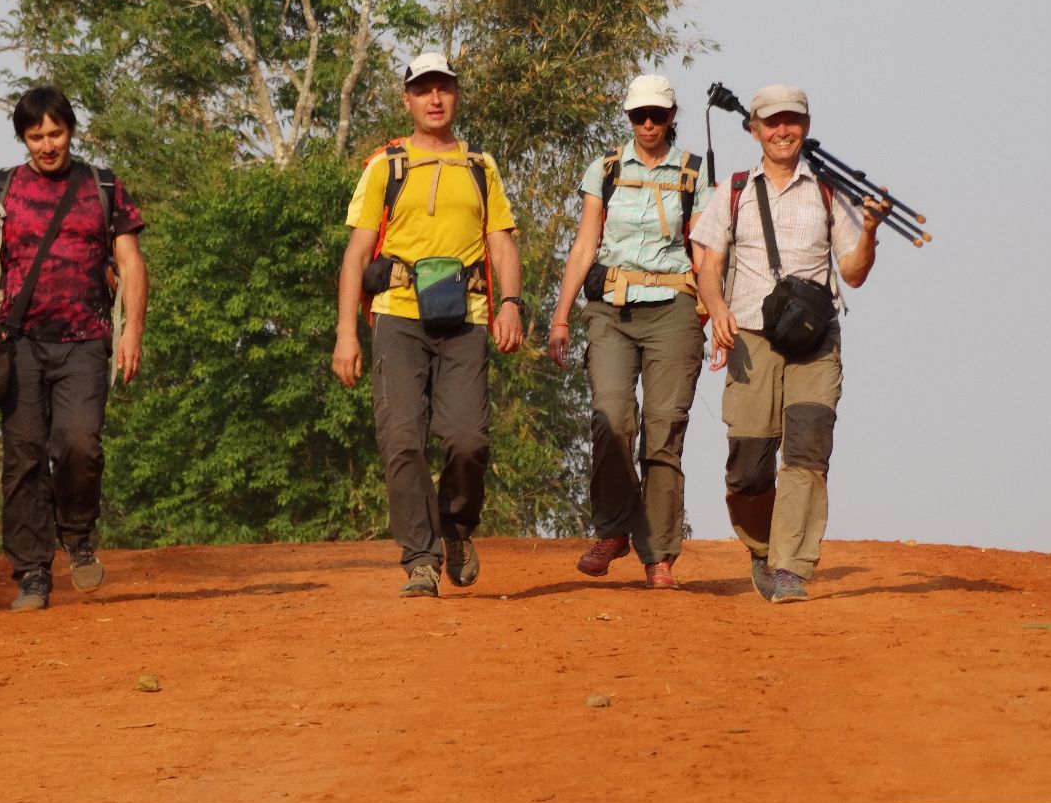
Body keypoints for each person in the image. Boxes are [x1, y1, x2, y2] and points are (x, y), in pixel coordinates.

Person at [332, 52, 524, 598]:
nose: (434, 99)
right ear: (408, 99)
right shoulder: (386, 165)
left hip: (468, 316)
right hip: (397, 314)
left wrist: (512, 303)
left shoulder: (480, 167)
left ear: (456, 95)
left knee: (467, 438)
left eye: (444, 89)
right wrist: (348, 333)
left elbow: (502, 242)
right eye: (423, 90)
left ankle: (456, 528)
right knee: (402, 440)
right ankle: (420, 557)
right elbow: (356, 254)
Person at [690, 84, 887, 603]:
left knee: (807, 451)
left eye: (792, 121)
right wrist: (718, 310)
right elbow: (709, 268)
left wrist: (868, 230)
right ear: (754, 128)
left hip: (816, 341)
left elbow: (854, 272)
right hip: (751, 338)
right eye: (772, 122)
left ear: (805, 125)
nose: (783, 131)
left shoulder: (828, 191)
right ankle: (762, 546)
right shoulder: (732, 190)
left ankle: (790, 568)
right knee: (748, 466)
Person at [0, 86, 148, 611]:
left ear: (71, 130)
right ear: (23, 138)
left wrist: (132, 330)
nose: (47, 145)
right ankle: (33, 573)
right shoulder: (2, 190)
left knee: (81, 444)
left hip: (86, 341)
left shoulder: (101, 185)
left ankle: (78, 535)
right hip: (18, 345)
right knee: (22, 458)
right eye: (36, 136)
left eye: (55, 133)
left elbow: (130, 261)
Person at [548, 74, 711, 588]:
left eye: (656, 115)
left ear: (671, 117)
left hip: (674, 310)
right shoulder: (607, 168)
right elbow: (584, 245)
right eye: (638, 115)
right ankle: (613, 528)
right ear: (627, 118)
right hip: (611, 310)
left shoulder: (693, 174)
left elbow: (706, 252)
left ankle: (658, 553)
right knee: (611, 417)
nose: (647, 124)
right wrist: (560, 316)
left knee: (664, 431)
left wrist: (715, 311)